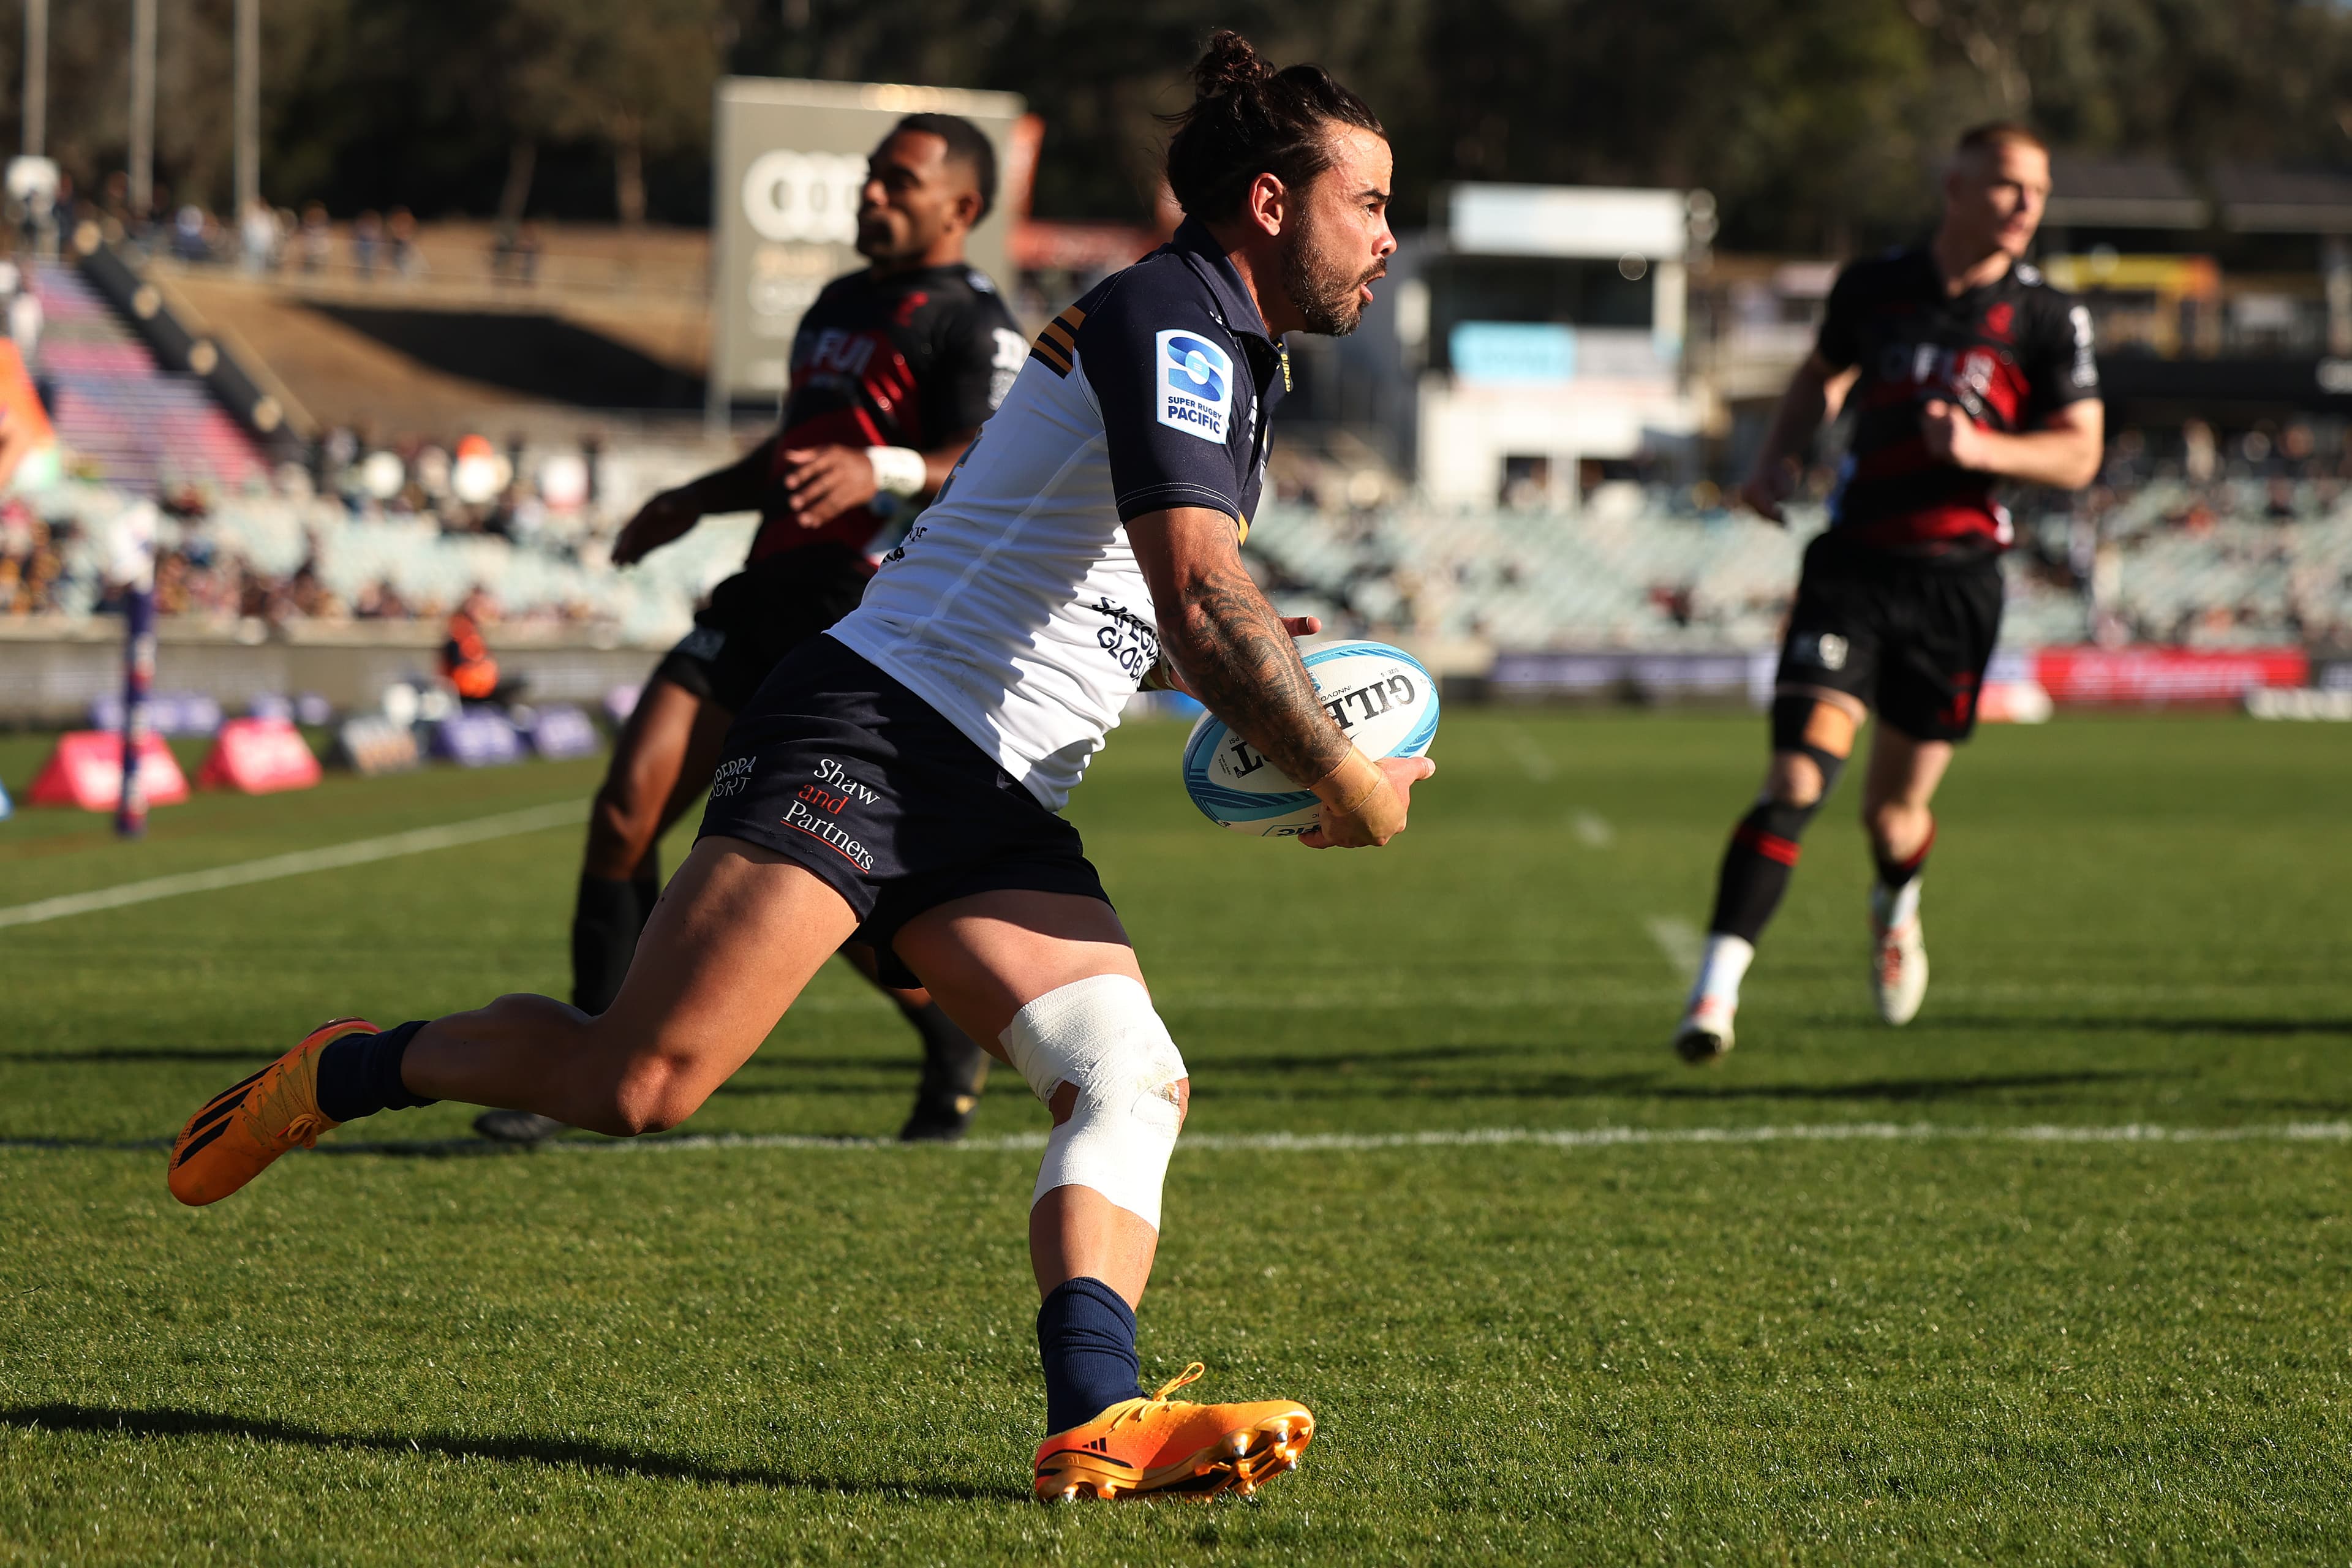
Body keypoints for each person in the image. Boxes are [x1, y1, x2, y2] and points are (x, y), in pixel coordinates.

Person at [167, 31, 1420, 1503]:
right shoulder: (1179, 319)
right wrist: (1340, 768)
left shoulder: (1226, 351)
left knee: (1129, 1076)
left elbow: (1125, 609)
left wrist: (1245, 674)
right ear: (1271, 204)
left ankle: (1102, 1412)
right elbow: (1204, 605)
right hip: (875, 730)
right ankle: (346, 1066)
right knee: (639, 1079)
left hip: (1001, 792)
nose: (1389, 241)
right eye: (1372, 202)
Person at [471, 114, 1027, 1150]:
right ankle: (586, 1065)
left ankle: (945, 1034)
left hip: (859, 618)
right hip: (763, 588)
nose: (872, 195)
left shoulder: (979, 325)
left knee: (820, 872)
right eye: (869, 177)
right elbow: (800, 450)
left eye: (899, 182)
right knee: (626, 808)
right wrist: (699, 496)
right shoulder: (833, 306)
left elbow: (992, 463)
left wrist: (888, 469)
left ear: (963, 207)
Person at [1674, 122, 2101, 1063]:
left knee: (1892, 816)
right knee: (1794, 779)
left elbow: (2081, 451)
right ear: (1954, 187)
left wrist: (1982, 450)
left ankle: (1895, 902)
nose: (2027, 205)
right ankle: (1713, 997)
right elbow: (1820, 376)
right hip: (1854, 570)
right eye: (2006, 185)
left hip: (1958, 589)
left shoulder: (2049, 317)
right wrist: (1777, 456)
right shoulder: (1874, 288)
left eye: (2038, 189)